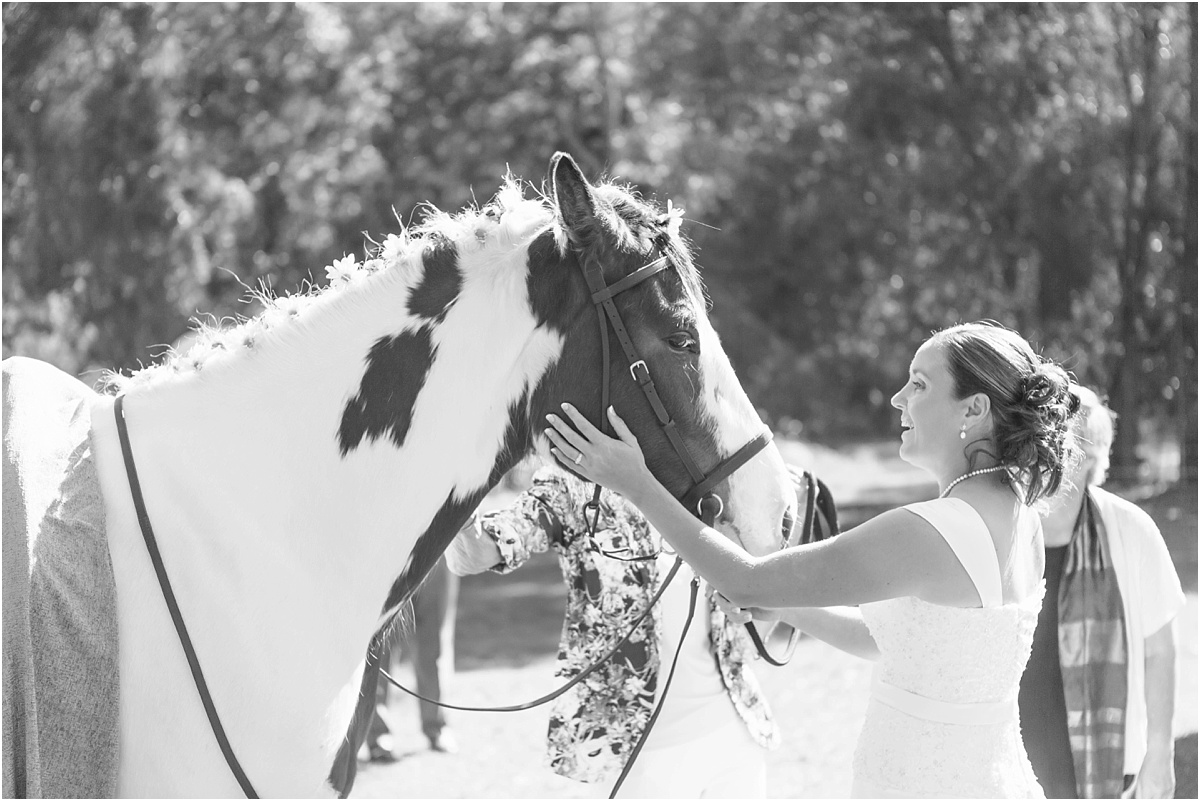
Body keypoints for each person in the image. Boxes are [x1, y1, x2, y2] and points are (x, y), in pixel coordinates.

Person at [547, 321, 1080, 798]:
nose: (897, 399)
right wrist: (791, 610)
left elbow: (746, 581)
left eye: (919, 384)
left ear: (974, 408)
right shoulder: (1021, 517)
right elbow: (903, 645)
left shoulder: (930, 530)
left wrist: (636, 483)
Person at [444, 463, 838, 798]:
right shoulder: (574, 479)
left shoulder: (707, 463)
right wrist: (456, 472)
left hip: (734, 731)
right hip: (638, 753)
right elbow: (474, 553)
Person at [1019, 386, 1185, 799]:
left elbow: (1159, 650)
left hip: (1105, 761)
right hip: (1014, 753)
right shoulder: (1007, 529)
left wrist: (1160, 750)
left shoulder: (1132, 529)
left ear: (1091, 457)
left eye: (1069, 446)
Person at [362, 556, 460, 762]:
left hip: (438, 548)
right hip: (391, 547)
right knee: (380, 641)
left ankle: (437, 727)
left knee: (435, 641)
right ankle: (377, 734)